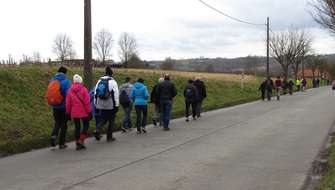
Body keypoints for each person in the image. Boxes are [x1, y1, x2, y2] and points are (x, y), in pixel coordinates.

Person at [46, 66, 71, 149]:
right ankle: (61, 143)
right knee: (64, 125)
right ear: (65, 73)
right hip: (63, 107)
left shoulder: (52, 81)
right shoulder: (66, 82)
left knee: (57, 123)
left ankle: (53, 135)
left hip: (55, 106)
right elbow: (68, 95)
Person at [66, 74, 91, 150]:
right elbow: (87, 102)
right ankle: (81, 140)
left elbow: (68, 103)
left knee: (77, 127)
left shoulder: (70, 90)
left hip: (74, 112)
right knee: (86, 124)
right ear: (81, 81)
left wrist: (68, 112)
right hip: (83, 111)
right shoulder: (84, 89)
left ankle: (77, 143)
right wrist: (89, 111)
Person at [94, 66, 119, 142]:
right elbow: (116, 95)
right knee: (111, 120)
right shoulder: (113, 82)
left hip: (100, 103)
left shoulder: (99, 81)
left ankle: (97, 129)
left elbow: (96, 93)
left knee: (103, 118)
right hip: (110, 104)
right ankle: (109, 137)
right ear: (111, 74)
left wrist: (96, 104)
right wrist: (116, 106)